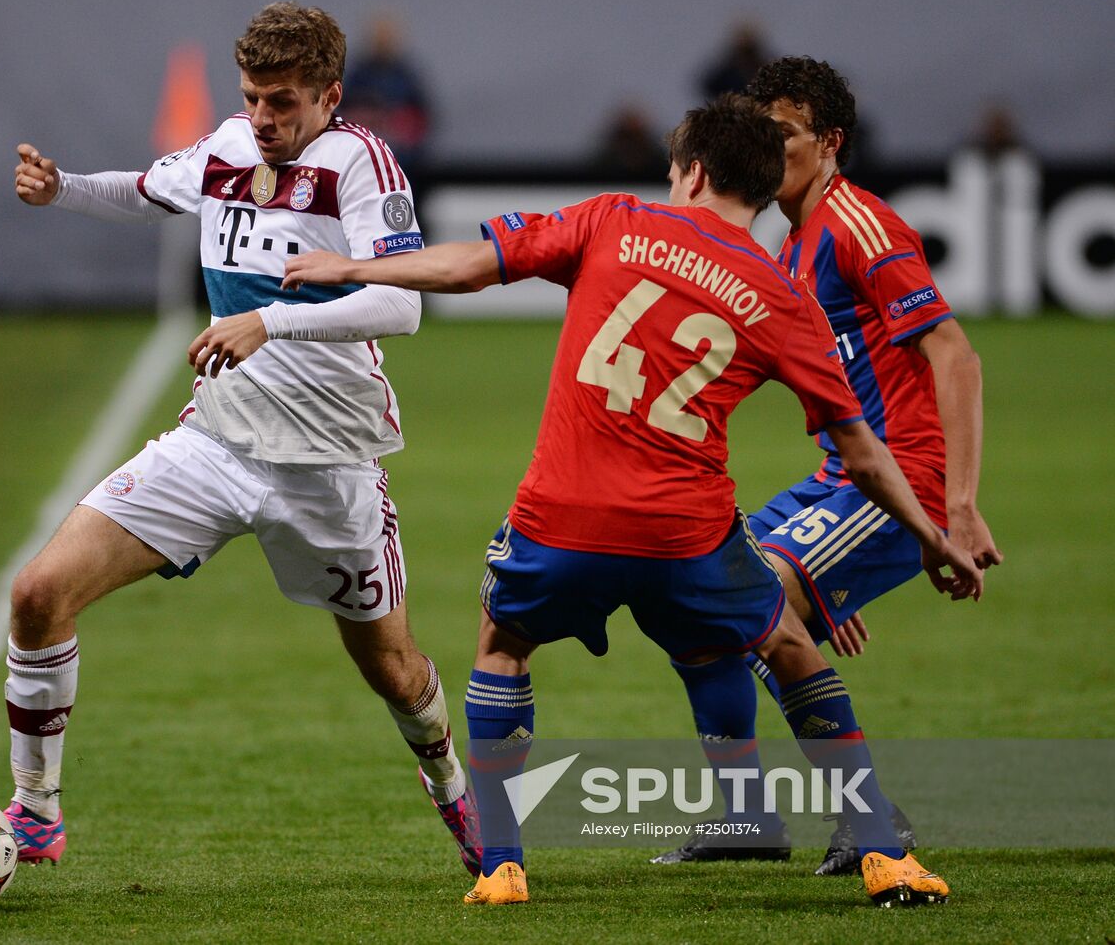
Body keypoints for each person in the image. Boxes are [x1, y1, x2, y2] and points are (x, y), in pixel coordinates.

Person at [281, 94, 981, 908]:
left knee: (503, 644)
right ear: (758, 190)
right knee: (787, 646)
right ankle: (882, 855)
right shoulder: (782, 296)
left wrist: (354, 269)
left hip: (561, 518)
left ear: (692, 171)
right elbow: (862, 452)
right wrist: (933, 534)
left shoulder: (614, 219)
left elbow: (470, 266)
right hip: (686, 535)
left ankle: (503, 868)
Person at [3, 2, 479, 877]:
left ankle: (454, 786)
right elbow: (147, 191)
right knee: (38, 594)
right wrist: (62, 186)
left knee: (395, 670)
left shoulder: (358, 164)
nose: (263, 119)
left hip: (330, 465)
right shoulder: (227, 147)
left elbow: (402, 303)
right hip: (217, 444)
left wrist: (271, 320)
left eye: (283, 102)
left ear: (331, 95)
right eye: (254, 98)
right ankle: (34, 810)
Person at [655, 56, 1003, 876]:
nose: (772, 149)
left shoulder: (860, 226)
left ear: (832, 142)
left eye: (787, 134)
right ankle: (748, 817)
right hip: (843, 482)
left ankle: (871, 819)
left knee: (762, 598)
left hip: (902, 478)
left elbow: (955, 357)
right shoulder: (797, 242)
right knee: (694, 599)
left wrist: (957, 504)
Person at [340, 14, 431, 181]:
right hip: (362, 158)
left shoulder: (406, 78)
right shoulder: (357, 76)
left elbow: (422, 117)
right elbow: (343, 113)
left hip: (403, 161)